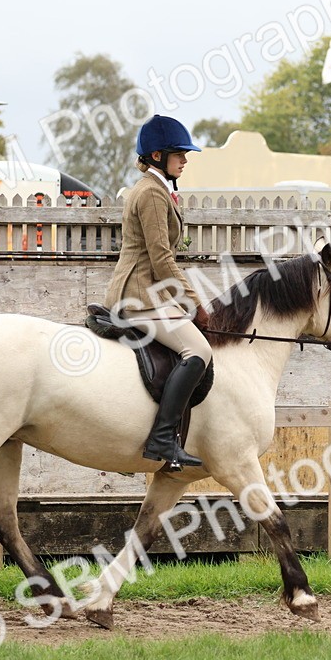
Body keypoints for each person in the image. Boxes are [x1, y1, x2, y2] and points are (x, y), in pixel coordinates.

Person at [104, 115, 212, 471]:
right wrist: (195, 304)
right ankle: (163, 438)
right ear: (156, 155)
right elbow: (161, 257)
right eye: (179, 153)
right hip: (138, 296)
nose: (185, 159)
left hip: (148, 293)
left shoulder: (157, 189)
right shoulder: (150, 193)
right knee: (198, 349)